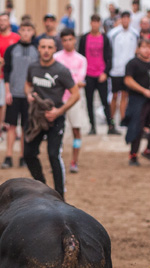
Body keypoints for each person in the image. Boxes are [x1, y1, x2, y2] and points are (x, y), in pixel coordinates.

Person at [24, 37, 79, 199]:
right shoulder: (33, 67)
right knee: (28, 153)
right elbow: (28, 84)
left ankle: (60, 196)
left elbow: (75, 94)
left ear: (55, 49)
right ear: (38, 49)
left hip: (55, 118)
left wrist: (59, 111)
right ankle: (42, 187)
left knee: (53, 155)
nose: (46, 50)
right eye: (43, 47)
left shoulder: (61, 70)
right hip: (37, 118)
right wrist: (28, 94)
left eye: (49, 47)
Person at [123, 38, 150, 166]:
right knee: (137, 126)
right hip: (137, 100)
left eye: (149, 47)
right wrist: (143, 90)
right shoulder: (133, 63)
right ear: (138, 49)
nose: (147, 50)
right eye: (144, 47)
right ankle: (133, 154)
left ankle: (149, 150)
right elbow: (128, 80)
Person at [1, 20, 38, 169]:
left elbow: (37, 73)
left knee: (25, 127)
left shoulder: (36, 50)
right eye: (23, 29)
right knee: (11, 126)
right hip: (14, 93)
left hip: (28, 95)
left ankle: (23, 156)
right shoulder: (12, 49)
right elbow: (6, 71)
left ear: (33, 32)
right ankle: (8, 156)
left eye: (29, 30)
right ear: (19, 31)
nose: (26, 33)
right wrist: (7, 91)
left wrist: (34, 93)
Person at [54, 28, 87, 173]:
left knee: (76, 130)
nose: (68, 42)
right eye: (65, 40)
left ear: (74, 40)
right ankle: (56, 160)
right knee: (56, 132)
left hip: (74, 100)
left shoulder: (81, 59)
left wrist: (67, 81)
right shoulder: (56, 57)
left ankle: (74, 161)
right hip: (58, 99)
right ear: (61, 42)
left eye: (70, 39)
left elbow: (79, 80)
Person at [78, 14, 117, 135]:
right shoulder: (84, 38)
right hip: (88, 75)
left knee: (105, 102)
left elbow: (109, 57)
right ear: (90, 23)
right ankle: (92, 126)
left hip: (101, 75)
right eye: (93, 22)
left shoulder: (105, 38)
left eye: (97, 22)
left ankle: (111, 126)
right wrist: (83, 74)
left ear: (100, 23)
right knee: (89, 102)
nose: (95, 24)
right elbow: (80, 56)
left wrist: (105, 73)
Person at [108, 12, 139, 124]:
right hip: (116, 70)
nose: (125, 20)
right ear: (121, 19)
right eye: (123, 18)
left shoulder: (135, 33)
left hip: (128, 70)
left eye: (127, 18)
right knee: (114, 95)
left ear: (130, 20)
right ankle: (111, 120)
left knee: (125, 95)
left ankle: (123, 119)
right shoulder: (113, 33)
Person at [0, 13, 20, 136]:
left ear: (9, 22)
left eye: (4, 20)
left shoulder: (16, 38)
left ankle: (14, 129)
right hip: (0, 75)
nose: (2, 22)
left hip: (15, 76)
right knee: (0, 103)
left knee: (15, 103)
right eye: (0, 20)